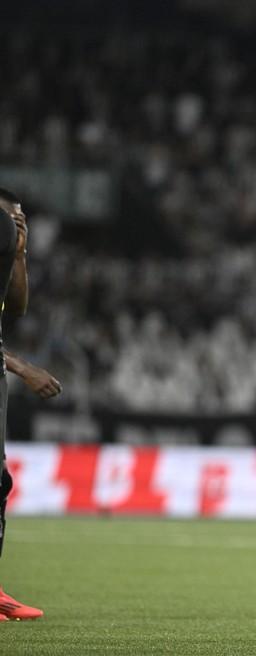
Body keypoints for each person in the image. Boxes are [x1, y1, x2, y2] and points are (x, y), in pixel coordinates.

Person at [0, 188, 61, 622]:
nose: (15, 223)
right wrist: (24, 369)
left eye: (20, 219)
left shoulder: (6, 252)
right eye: (9, 217)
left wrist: (18, 254)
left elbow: (16, 309)